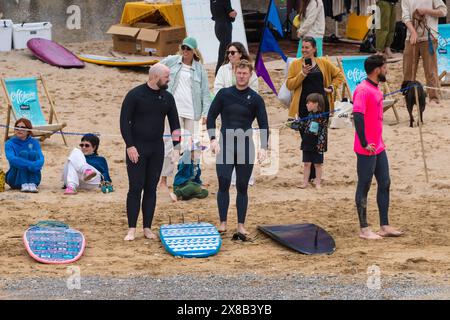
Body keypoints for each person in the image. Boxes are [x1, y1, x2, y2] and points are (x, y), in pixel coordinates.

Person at [207, 60, 269, 236]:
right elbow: (211, 116)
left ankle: (241, 224)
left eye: (245, 74)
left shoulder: (256, 99)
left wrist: (264, 147)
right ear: (235, 73)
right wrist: (212, 139)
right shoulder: (224, 94)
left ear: (250, 75)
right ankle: (223, 222)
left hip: (245, 145)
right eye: (239, 73)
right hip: (225, 144)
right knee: (224, 182)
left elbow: (264, 124)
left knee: (242, 186)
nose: (242, 76)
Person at [120, 63, 181, 241]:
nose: (168, 80)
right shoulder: (135, 95)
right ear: (155, 77)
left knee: (151, 189)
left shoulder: (167, 97)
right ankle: (132, 229)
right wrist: (130, 146)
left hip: (156, 148)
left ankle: (147, 227)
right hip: (136, 148)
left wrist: (177, 147)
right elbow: (124, 122)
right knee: (135, 187)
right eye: (166, 77)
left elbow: (175, 125)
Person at [352, 55, 403, 240]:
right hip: (367, 147)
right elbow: (357, 116)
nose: (387, 70)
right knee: (364, 185)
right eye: (385, 67)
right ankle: (364, 229)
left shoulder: (375, 88)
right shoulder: (363, 90)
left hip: (379, 146)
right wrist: (365, 142)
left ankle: (384, 225)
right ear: (377, 70)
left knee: (385, 182)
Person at [159, 37, 211, 198]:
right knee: (170, 145)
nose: (185, 51)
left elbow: (205, 92)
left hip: (192, 112)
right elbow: (156, 69)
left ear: (194, 50)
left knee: (191, 147)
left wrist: (206, 113)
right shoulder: (173, 61)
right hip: (173, 110)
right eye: (183, 47)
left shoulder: (199, 69)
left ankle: (189, 179)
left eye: (189, 48)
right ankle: (163, 181)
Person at [287, 37, 344, 182]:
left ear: (314, 49)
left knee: (319, 139)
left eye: (307, 47)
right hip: (303, 107)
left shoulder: (323, 63)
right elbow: (290, 85)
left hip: (321, 109)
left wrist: (331, 87)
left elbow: (339, 75)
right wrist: (302, 74)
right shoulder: (295, 64)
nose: (304, 50)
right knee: (306, 139)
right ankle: (311, 174)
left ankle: (315, 175)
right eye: (303, 47)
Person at [214, 41, 258, 186]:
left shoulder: (250, 71)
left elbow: (254, 92)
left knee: (245, 144)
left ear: (240, 54)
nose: (230, 55)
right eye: (228, 52)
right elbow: (217, 88)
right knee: (227, 144)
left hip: (245, 111)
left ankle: (246, 177)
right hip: (226, 110)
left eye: (233, 52)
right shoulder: (223, 70)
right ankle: (230, 177)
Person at [402, 0, 447, 105]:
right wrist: (412, 31)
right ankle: (408, 96)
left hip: (429, 37)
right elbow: (405, 17)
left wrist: (427, 11)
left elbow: (443, 11)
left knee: (430, 69)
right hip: (411, 37)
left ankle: (434, 97)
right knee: (408, 69)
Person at [296, 93, 328, 189]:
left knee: (318, 164)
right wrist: (296, 123)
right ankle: (305, 183)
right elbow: (302, 126)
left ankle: (318, 183)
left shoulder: (322, 117)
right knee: (306, 163)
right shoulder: (308, 115)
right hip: (307, 143)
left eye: (308, 103)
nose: (306, 105)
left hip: (318, 144)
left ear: (316, 104)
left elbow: (322, 133)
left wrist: (321, 145)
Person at [4, 118, 44, 193]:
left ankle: (32, 183)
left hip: (34, 180)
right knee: (24, 153)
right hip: (15, 179)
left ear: (28, 131)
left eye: (23, 128)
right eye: (17, 127)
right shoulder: (9, 143)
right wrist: (30, 164)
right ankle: (24, 182)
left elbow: (41, 159)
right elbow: (11, 159)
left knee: (33, 153)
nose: (19, 130)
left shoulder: (34, 142)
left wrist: (35, 165)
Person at [210, 0, 237, 76]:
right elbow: (231, 14)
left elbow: (214, 15)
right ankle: (219, 74)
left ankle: (223, 73)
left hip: (218, 26)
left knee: (225, 52)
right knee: (224, 53)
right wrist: (234, 13)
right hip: (225, 26)